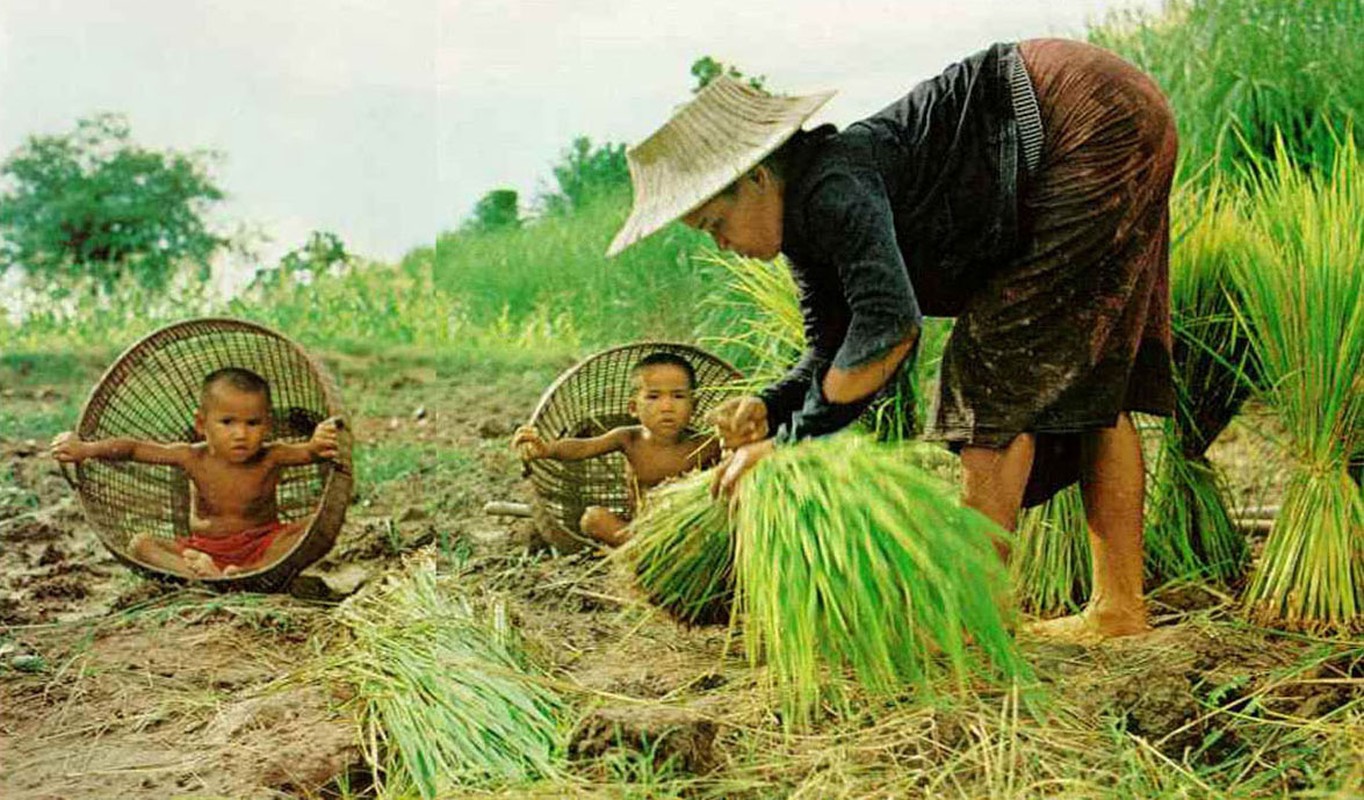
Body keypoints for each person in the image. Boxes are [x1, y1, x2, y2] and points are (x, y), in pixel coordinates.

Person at [605, 39, 1178, 641]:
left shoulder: (832, 186)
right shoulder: (808, 222)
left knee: (988, 377)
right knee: (1092, 389)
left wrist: (795, 440)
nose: (720, 244)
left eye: (715, 224)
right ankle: (1117, 610)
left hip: (1079, 117)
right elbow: (833, 350)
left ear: (757, 177)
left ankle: (974, 621)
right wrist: (771, 407)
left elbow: (888, 326)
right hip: (1102, 113)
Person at [52, 367, 342, 578]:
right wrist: (86, 449)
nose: (240, 434)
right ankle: (205, 575)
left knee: (308, 526)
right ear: (202, 424)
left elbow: (311, 452)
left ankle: (242, 574)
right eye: (227, 422)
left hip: (262, 545)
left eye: (253, 423)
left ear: (267, 426)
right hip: (202, 549)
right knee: (141, 544)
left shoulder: (272, 455)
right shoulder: (191, 456)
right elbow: (133, 449)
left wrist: (319, 440)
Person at [513, 352, 721, 547]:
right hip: (638, 529)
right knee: (593, 519)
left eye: (678, 396)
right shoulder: (629, 438)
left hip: (686, 530)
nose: (667, 406)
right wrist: (546, 449)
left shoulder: (706, 445)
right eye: (653, 397)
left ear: (694, 406)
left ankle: (646, 551)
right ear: (633, 408)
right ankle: (642, 549)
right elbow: (583, 447)